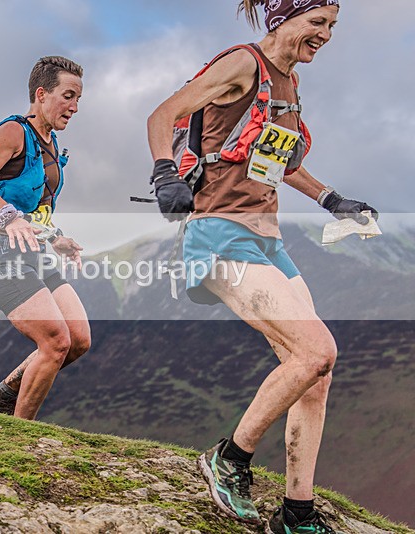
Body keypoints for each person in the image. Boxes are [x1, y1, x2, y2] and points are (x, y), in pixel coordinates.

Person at [146, 1, 377, 533]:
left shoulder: (288, 83)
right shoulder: (243, 64)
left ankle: (296, 513)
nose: (327, 34)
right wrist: (165, 175)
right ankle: (229, 458)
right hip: (219, 233)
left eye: (333, 26)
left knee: (317, 372)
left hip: (267, 239)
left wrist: (333, 200)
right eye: (317, 22)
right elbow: (161, 116)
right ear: (284, 19)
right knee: (315, 348)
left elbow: (278, 162)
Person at [0, 56, 91, 420]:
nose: (75, 107)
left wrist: (56, 239)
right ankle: (20, 435)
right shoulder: (14, 132)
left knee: (78, 340)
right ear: (41, 94)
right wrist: (9, 216)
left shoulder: (50, 146)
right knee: (55, 341)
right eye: (68, 96)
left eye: (79, 99)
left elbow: (37, 212)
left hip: (33, 251)